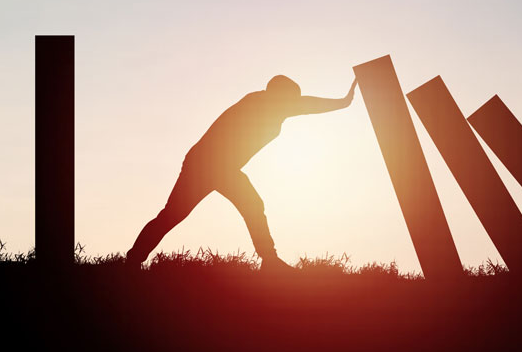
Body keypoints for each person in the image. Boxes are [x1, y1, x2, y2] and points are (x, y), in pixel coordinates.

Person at [125, 74, 359, 270]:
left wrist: (343, 101)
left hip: (222, 167)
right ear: (278, 95)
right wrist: (342, 101)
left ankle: (269, 261)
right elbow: (306, 105)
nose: (295, 104)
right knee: (174, 215)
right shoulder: (256, 103)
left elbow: (308, 105)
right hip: (206, 163)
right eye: (291, 99)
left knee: (250, 206)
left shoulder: (276, 108)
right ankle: (133, 259)